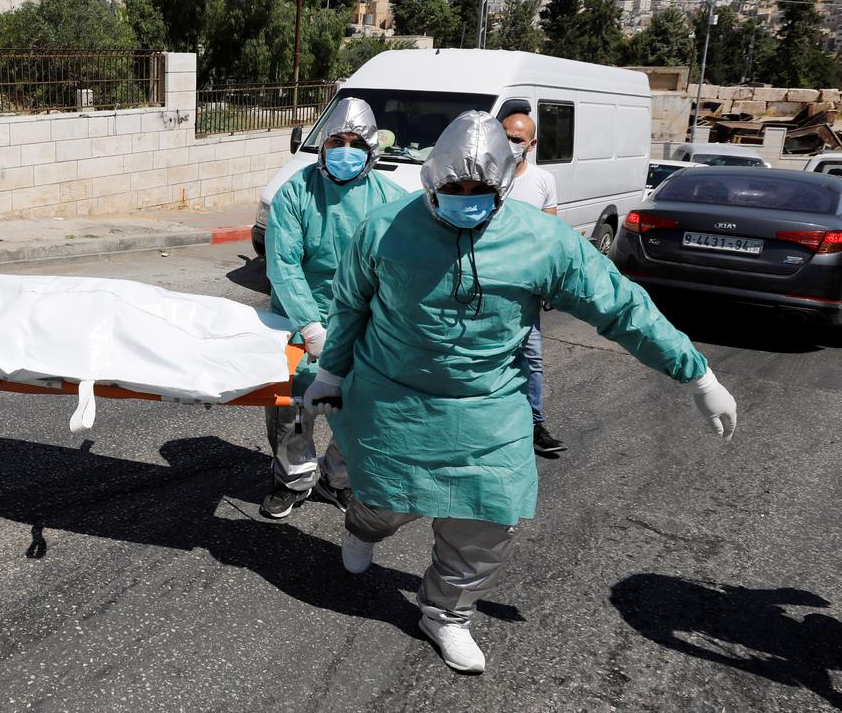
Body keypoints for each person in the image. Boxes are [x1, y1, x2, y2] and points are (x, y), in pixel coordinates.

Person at [303, 111, 736, 674]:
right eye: (453, 189)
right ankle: (362, 527)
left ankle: (446, 614)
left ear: (505, 184)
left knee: (489, 516)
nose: (465, 200)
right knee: (386, 502)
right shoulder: (384, 228)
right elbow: (350, 306)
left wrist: (697, 375)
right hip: (394, 401)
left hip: (490, 407)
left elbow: (620, 307)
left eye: (479, 190)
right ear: (431, 181)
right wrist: (332, 374)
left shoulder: (542, 240)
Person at [261, 97, 408, 519]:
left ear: (372, 150)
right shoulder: (296, 192)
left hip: (366, 324)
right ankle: (292, 481)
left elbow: (403, 270)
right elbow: (284, 264)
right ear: (322, 146)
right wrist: (310, 326)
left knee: (360, 410)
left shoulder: (393, 200)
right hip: (300, 317)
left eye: (356, 144)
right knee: (292, 409)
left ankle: (337, 478)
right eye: (337, 142)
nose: (346, 151)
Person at [501, 111, 565, 455]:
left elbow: (550, 236)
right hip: (485, 284)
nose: (509, 143)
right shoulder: (484, 176)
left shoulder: (543, 180)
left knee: (532, 359)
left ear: (532, 144)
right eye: (504, 136)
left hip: (524, 288)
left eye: (517, 139)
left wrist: (549, 284)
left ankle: (534, 424)